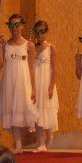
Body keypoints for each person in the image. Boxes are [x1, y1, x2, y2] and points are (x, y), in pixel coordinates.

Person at [0, 14, 39, 154]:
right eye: (11, 25)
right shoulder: (6, 45)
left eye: (17, 25)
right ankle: (18, 145)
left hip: (23, 82)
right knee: (12, 109)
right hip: (9, 81)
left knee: (22, 109)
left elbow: (32, 68)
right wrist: (0, 47)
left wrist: (34, 88)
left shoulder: (29, 45)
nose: (14, 28)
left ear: (22, 26)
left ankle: (21, 144)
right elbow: (0, 65)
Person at [31, 20, 59, 152]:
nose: (40, 35)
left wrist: (51, 86)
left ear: (46, 32)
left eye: (42, 32)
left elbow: (54, 69)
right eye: (37, 32)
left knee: (46, 110)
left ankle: (49, 137)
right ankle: (41, 142)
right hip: (35, 83)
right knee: (36, 111)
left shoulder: (51, 47)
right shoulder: (32, 47)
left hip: (46, 82)